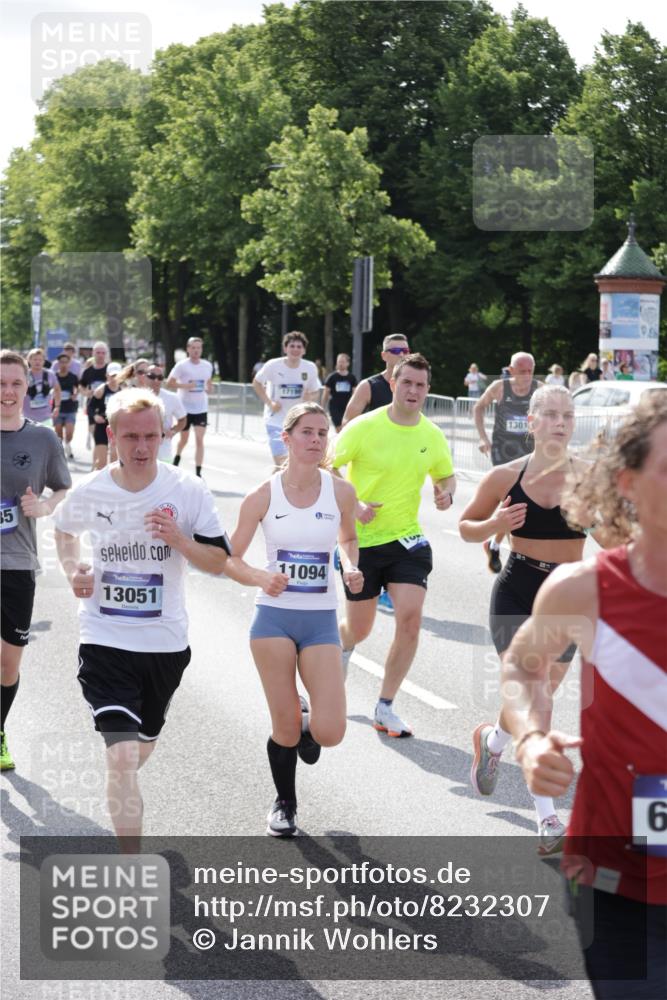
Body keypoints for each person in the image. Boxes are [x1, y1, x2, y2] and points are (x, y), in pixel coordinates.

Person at [499, 391, 667, 999]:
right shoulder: (585, 590)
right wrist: (531, 737)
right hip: (613, 874)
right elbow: (521, 667)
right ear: (628, 482)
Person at [54, 388, 230, 851]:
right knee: (123, 756)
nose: (141, 447)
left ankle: (124, 772)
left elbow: (218, 561)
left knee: (138, 749)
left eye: (151, 436)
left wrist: (181, 541)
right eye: (130, 436)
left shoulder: (187, 491)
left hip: (165, 644)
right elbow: (64, 529)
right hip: (104, 639)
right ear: (111, 435)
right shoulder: (91, 490)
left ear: (165, 434)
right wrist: (75, 570)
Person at [460, 385, 593, 854]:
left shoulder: (589, 478)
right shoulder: (504, 477)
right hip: (518, 590)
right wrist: (496, 525)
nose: (560, 422)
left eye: (568, 416)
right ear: (531, 422)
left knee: (536, 699)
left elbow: (622, 535)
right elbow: (465, 526)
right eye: (551, 415)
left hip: (568, 600)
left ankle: (493, 741)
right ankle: (549, 820)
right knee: (538, 701)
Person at [227, 402, 363, 836]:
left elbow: (347, 538)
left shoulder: (340, 492)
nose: (317, 440)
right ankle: (285, 803)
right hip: (274, 621)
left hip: (321, 618)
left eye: (323, 433)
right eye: (307, 432)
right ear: (286, 438)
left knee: (331, 732)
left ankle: (307, 717)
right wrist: (260, 577)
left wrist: (349, 564)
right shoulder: (262, 496)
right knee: (284, 729)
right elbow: (231, 559)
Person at [333, 353, 456, 737]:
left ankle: (385, 706)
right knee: (360, 628)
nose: (413, 391)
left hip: (407, 541)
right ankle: (342, 650)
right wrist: (353, 504)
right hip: (361, 542)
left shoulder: (431, 435)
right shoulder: (363, 427)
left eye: (420, 385)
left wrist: (446, 494)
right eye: (407, 383)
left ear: (427, 390)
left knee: (410, 618)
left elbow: (447, 477)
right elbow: (327, 466)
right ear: (393, 384)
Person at [1, 350, 71, 771]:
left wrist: (44, 506)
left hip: (19, 563)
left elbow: (62, 489)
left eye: (15, 384)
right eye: (1, 384)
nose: (7, 392)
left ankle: (0, 729)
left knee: (8, 663)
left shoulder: (43, 439)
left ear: (28, 387)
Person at [473, 352, 541, 573]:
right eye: (522, 372)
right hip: (503, 451)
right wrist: (483, 438)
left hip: (528, 451)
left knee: (520, 501)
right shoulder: (499, 387)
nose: (527, 376)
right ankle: (515, 555)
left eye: (530, 371)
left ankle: (494, 544)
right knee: (513, 499)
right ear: (511, 371)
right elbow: (478, 408)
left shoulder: (539, 388)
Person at [252, 332, 321, 470]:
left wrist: (310, 398)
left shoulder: (310, 367)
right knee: (283, 463)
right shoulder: (273, 365)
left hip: (298, 422)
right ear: (285, 348)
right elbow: (257, 383)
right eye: (292, 346)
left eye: (299, 346)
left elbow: (315, 392)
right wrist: (269, 403)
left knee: (289, 466)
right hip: (275, 420)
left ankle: (272, 490)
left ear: (304, 350)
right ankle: (276, 490)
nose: (295, 349)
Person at [167, 337, 213, 477]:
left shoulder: (207, 365)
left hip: (201, 408)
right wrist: (186, 386)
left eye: (198, 348)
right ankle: (177, 458)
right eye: (193, 348)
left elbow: (208, 383)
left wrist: (209, 388)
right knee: (184, 439)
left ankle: (198, 472)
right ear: (188, 349)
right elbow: (169, 383)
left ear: (201, 349)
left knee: (200, 440)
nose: (196, 350)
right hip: (185, 408)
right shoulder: (182, 365)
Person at [341, 334, 410, 426]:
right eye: (396, 351)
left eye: (405, 351)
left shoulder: (413, 386)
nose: (401, 355)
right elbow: (347, 423)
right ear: (384, 356)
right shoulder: (368, 386)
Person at [146, 362, 187, 462]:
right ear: (145, 377)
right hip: (141, 448)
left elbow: (183, 420)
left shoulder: (172, 398)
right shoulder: (135, 397)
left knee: (165, 477)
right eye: (152, 376)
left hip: (163, 449)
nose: (156, 380)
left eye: (160, 377)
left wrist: (173, 431)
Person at [90, 362, 122, 470]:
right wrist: (95, 416)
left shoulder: (123, 391)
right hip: (101, 425)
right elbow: (90, 407)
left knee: (115, 459)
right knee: (102, 462)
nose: (115, 378)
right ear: (107, 375)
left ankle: (112, 484)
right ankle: (97, 484)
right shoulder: (101, 390)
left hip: (116, 426)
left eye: (117, 375)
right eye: (112, 375)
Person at [79, 342, 109, 452]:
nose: (100, 355)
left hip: (108, 405)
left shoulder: (109, 370)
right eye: (98, 352)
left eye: (103, 353)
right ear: (93, 353)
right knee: (95, 431)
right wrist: (86, 393)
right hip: (93, 405)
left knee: (107, 433)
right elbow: (81, 386)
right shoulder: (88, 371)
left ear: (106, 354)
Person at [23, 348, 61, 425]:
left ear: (44, 361)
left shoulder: (50, 374)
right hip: (27, 418)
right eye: (35, 359)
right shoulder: (24, 374)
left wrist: (57, 406)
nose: (37, 362)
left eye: (40, 360)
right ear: (29, 360)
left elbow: (57, 389)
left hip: (46, 418)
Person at [52, 352, 79, 459]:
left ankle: (68, 445)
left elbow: (77, 388)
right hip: (57, 408)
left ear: (69, 363)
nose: (63, 364)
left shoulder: (73, 376)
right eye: (61, 362)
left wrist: (76, 393)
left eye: (66, 362)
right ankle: (62, 449)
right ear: (58, 363)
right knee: (58, 433)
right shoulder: (54, 376)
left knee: (69, 433)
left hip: (70, 408)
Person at [322, 354, 358, 432]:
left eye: (342, 362)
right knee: (339, 429)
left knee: (347, 428)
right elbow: (326, 392)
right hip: (335, 407)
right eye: (339, 362)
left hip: (347, 406)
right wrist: (322, 407)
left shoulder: (352, 378)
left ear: (348, 363)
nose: (340, 364)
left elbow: (355, 393)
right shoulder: (332, 377)